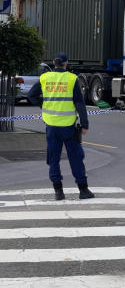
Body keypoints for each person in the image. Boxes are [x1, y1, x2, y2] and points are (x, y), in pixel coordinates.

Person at [27, 53, 93, 201]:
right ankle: (83, 190)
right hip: (68, 127)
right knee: (75, 157)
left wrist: (43, 105)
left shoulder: (44, 78)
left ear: (53, 63)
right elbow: (79, 103)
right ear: (66, 63)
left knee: (53, 158)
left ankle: (58, 191)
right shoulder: (71, 79)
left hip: (51, 125)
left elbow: (31, 95)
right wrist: (84, 124)